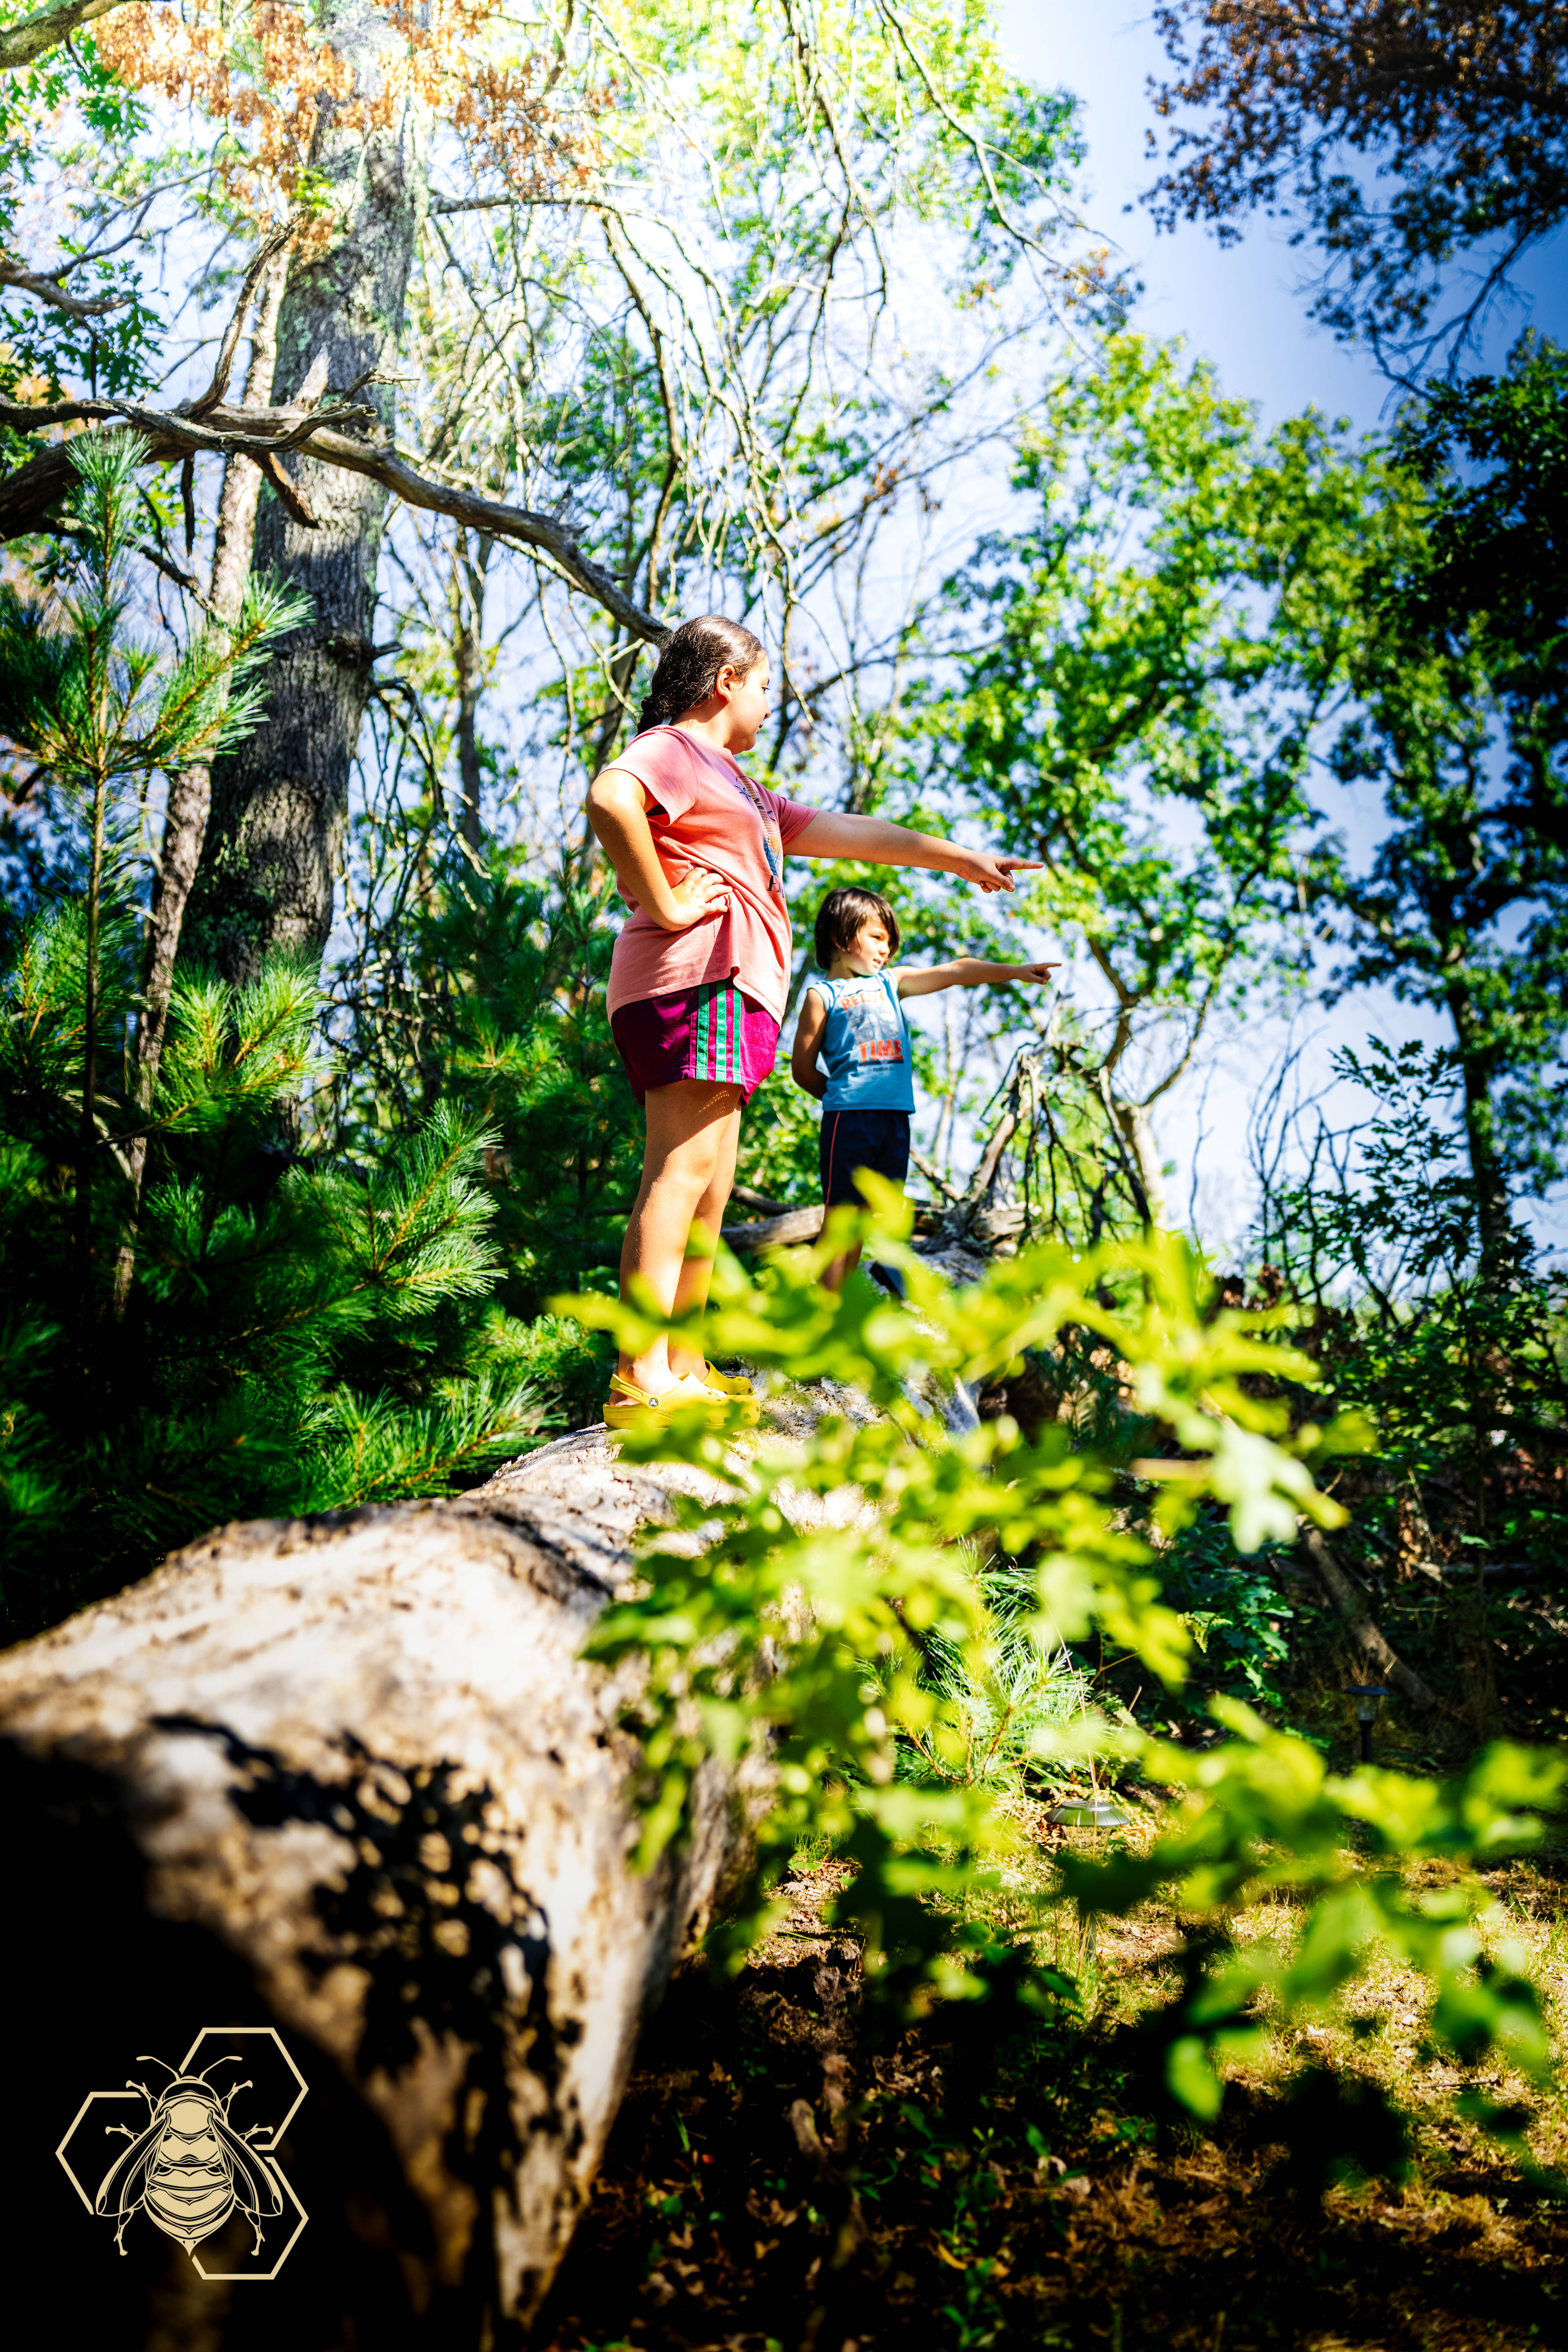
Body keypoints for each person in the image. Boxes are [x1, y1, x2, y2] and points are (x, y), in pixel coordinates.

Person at [584, 615, 1039, 1428]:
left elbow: (859, 834)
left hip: (733, 993)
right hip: (697, 978)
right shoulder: (676, 748)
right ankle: (639, 1374)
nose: (770, 704)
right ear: (725, 681)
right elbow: (610, 799)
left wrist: (961, 857)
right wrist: (667, 903)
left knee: (713, 1186)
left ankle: (682, 1364)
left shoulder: (748, 793)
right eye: (764, 687)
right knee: (680, 1174)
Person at [791, 885, 1058, 1292]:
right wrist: (847, 1098)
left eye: (889, 942)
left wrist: (1015, 971)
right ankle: (821, 1308)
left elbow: (956, 972)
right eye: (877, 938)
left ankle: (842, 1304)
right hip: (849, 1119)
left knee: (866, 1218)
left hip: (896, 1121)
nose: (886, 950)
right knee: (841, 1217)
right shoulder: (821, 995)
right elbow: (803, 1071)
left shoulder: (890, 983)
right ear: (840, 937)